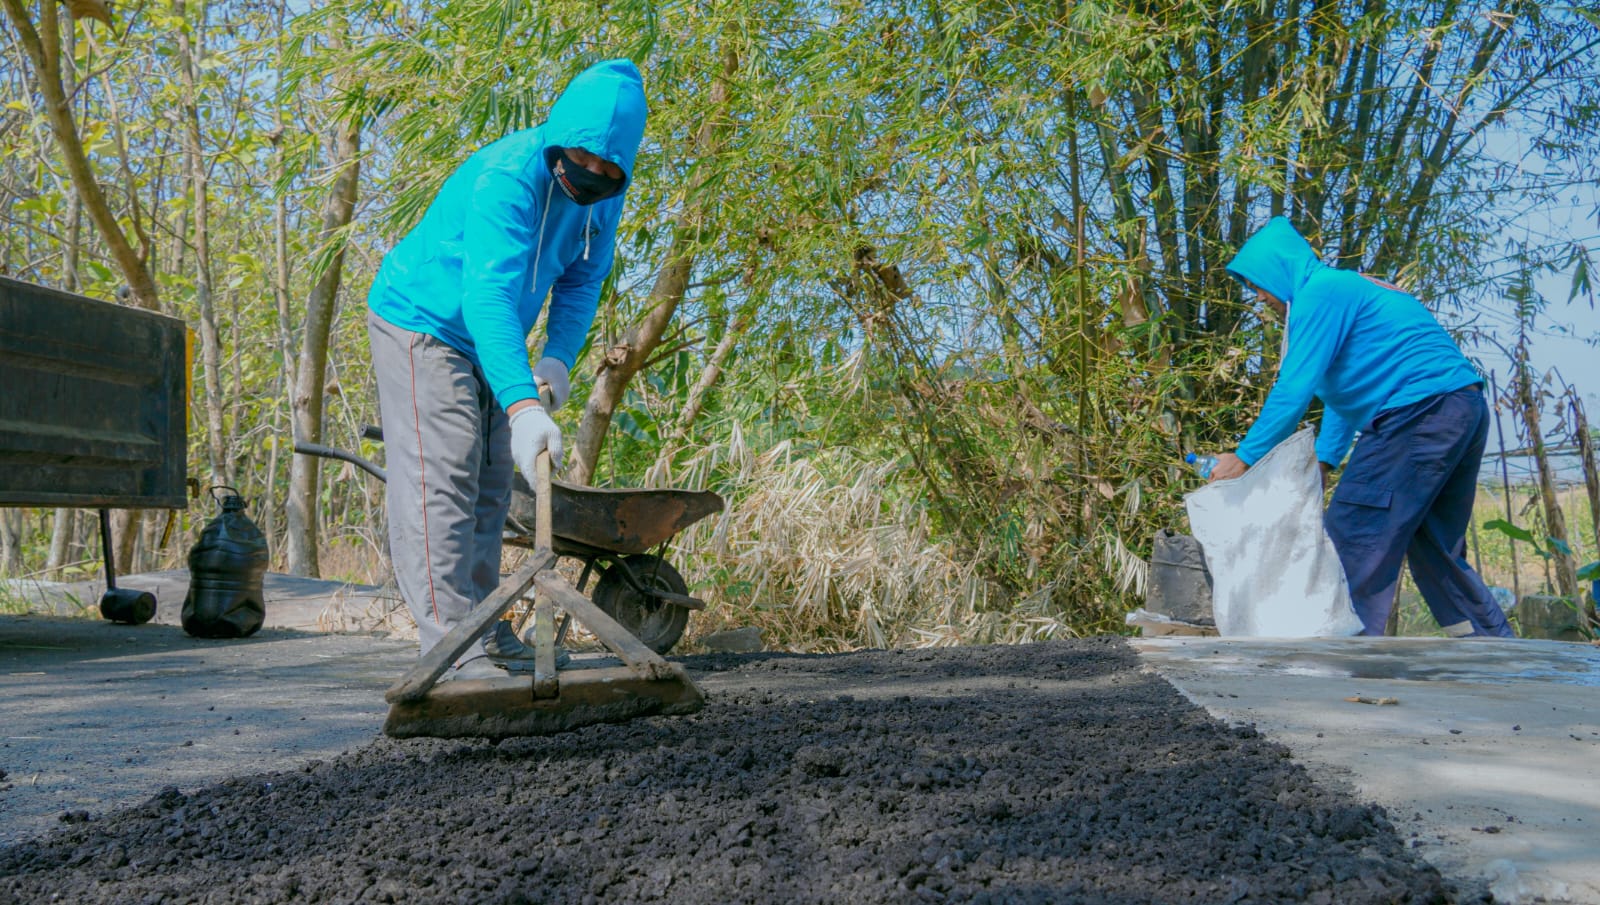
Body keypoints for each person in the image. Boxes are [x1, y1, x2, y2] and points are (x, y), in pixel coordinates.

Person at [365, 59, 648, 676]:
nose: (593, 175)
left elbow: (582, 281)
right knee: (445, 479)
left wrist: (556, 359)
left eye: (609, 168)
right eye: (583, 158)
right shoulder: (507, 177)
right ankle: (450, 649)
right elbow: (486, 295)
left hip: (492, 340)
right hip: (424, 322)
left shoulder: (602, 202)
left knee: (492, 487)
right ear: (559, 137)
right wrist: (520, 402)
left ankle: (485, 630)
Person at [1207, 216, 1514, 638]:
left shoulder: (1318, 294)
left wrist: (1244, 457)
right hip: (1460, 406)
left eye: (1259, 284)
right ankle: (1492, 650)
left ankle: (1340, 658)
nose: (1260, 297)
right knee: (1434, 543)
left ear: (1279, 271)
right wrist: (1326, 461)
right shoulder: (1346, 288)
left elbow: (1294, 388)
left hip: (1416, 415)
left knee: (1353, 535)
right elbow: (1343, 392)